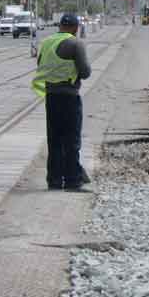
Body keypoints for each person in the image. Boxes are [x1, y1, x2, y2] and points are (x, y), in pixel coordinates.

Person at [32, 13, 91, 191]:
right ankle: (73, 181)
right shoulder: (75, 43)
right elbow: (85, 72)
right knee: (72, 140)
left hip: (51, 96)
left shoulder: (47, 42)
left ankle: (54, 181)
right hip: (69, 96)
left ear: (59, 26)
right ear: (75, 27)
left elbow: (41, 65)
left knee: (55, 140)